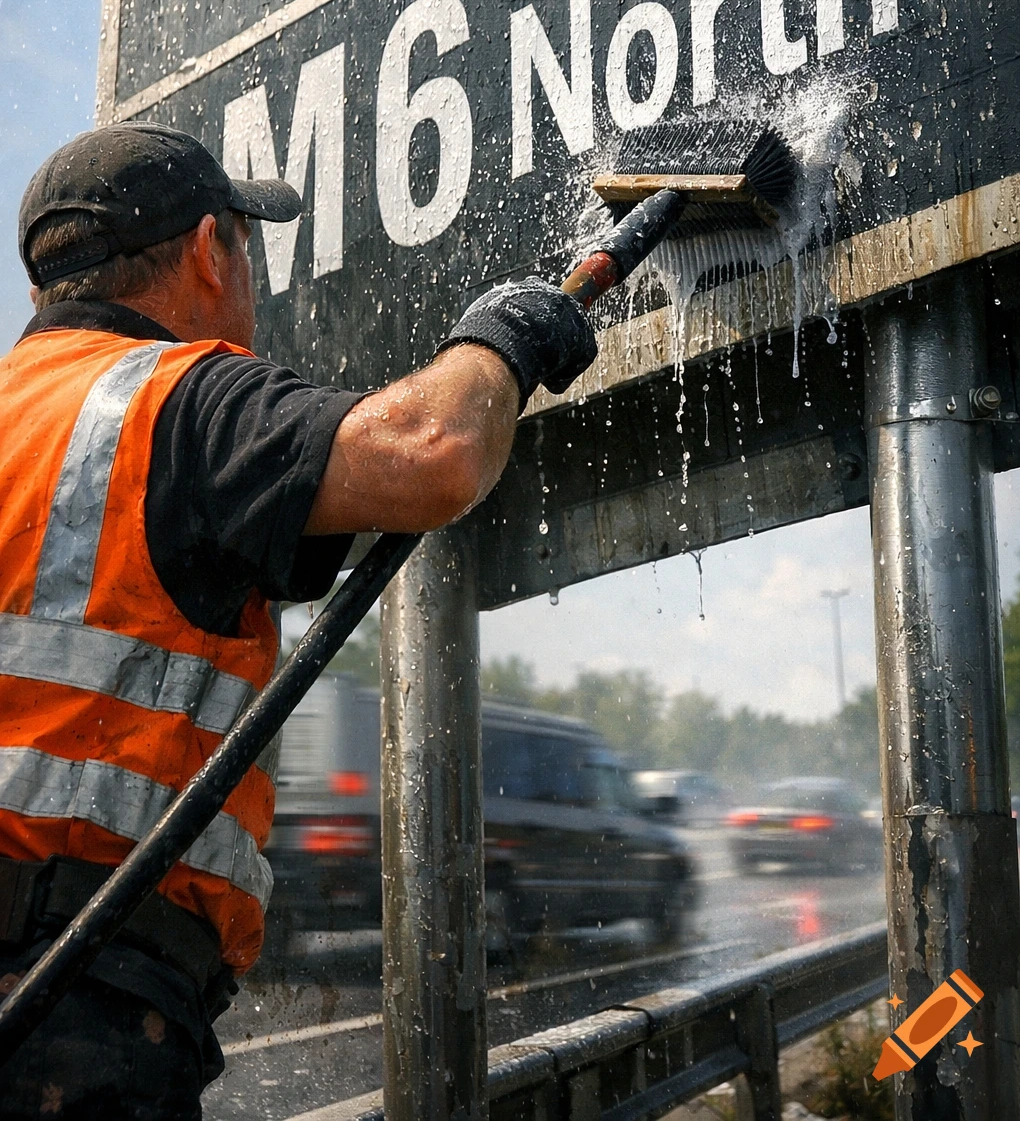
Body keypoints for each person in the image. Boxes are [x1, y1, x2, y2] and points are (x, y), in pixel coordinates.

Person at [0, 123, 596, 1120]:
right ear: (207, 249)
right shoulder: (176, 398)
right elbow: (431, 450)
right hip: (72, 1006)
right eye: (245, 243)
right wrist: (505, 334)